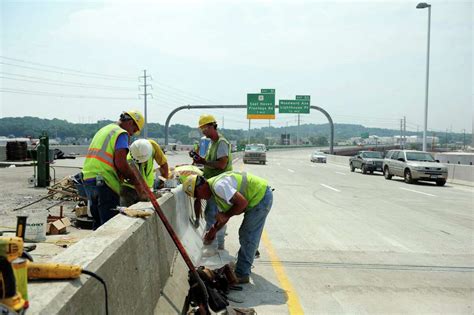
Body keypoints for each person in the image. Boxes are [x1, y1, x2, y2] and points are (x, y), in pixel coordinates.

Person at [183, 171, 273, 284]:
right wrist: (214, 230)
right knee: (247, 234)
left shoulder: (218, 186)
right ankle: (243, 265)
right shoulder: (214, 192)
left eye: (197, 195)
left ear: (200, 187)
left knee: (248, 234)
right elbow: (224, 216)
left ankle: (242, 274)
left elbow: (242, 203)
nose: (200, 198)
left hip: (261, 197)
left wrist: (225, 215)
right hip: (257, 196)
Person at [82, 110, 147, 229]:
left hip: (88, 180)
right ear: (131, 122)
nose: (132, 134)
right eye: (134, 130)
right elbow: (121, 163)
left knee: (98, 225)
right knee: (109, 227)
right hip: (105, 183)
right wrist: (136, 181)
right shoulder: (121, 133)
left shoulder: (104, 130)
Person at [190, 114, 232, 250]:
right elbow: (210, 163)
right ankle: (215, 246)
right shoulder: (212, 143)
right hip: (213, 184)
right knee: (212, 215)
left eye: (204, 129)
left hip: (219, 186)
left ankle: (214, 248)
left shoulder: (221, 143)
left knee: (213, 216)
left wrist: (204, 162)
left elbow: (221, 164)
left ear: (211, 126)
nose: (203, 131)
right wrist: (201, 161)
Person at [120, 138, 170, 207]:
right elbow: (136, 182)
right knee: (129, 214)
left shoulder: (152, 146)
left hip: (146, 188)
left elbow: (163, 164)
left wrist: (164, 182)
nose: (143, 162)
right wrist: (145, 195)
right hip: (129, 189)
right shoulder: (129, 160)